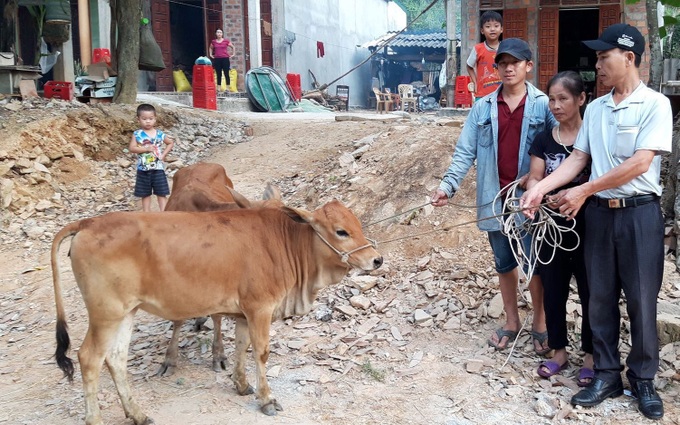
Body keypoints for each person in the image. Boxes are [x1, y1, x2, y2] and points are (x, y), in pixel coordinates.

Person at [520, 24, 671, 420]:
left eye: (605, 58)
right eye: (598, 58)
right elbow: (577, 159)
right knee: (599, 299)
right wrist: (539, 189)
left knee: (640, 300)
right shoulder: (598, 109)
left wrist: (583, 192)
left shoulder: (655, 104)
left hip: (639, 215)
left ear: (630, 59)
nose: (598, 65)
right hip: (601, 218)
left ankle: (643, 378)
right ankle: (606, 374)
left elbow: (641, 162)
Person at [431, 38, 557, 355]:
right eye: (503, 62)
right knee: (504, 263)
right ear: (496, 67)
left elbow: (561, 145)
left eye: (516, 62)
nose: (509, 67)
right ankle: (512, 321)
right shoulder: (482, 107)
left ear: (529, 66)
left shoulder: (544, 105)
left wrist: (547, 183)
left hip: (530, 202)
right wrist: (447, 186)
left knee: (537, 264)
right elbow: (464, 152)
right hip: (494, 199)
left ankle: (540, 324)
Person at [525, 71, 594, 386]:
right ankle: (559, 351)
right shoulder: (543, 139)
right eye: (551, 99)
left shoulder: (592, 137)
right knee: (553, 289)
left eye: (563, 98)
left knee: (592, 291)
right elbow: (535, 176)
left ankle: (591, 355)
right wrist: (535, 193)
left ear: (581, 99)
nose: (555, 105)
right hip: (550, 229)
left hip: (589, 227)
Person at [128, 104, 175, 212]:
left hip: (158, 169)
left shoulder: (159, 134)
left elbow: (170, 143)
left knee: (161, 193)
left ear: (155, 119)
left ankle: (164, 214)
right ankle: (146, 215)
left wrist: (163, 155)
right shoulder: (137, 134)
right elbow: (132, 148)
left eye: (151, 119)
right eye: (144, 119)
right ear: (138, 119)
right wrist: (146, 149)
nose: (148, 121)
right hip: (143, 169)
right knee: (145, 194)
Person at [466, 11, 503, 100]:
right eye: (488, 26)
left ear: (501, 29)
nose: (492, 29)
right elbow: (469, 65)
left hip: (502, 95)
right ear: (482, 30)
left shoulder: (505, 48)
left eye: (496, 26)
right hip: (482, 95)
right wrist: (475, 83)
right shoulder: (478, 49)